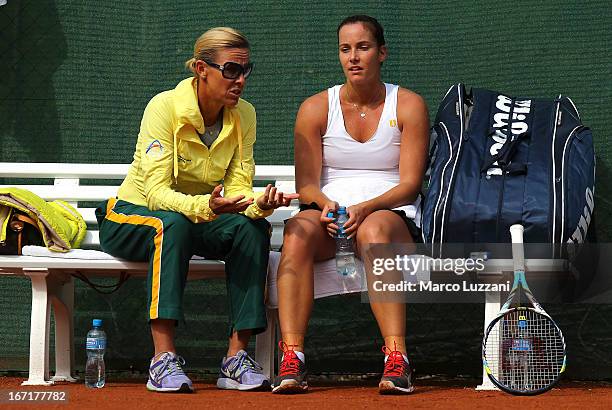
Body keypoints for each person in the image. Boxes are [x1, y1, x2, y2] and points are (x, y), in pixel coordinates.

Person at [95, 27, 298, 393]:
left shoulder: (245, 115)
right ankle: (162, 360)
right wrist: (207, 206)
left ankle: (236, 358)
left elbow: (237, 186)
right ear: (201, 69)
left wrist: (258, 205)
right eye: (231, 70)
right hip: (131, 217)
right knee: (170, 224)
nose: (240, 81)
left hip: (195, 219)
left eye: (246, 70)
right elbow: (156, 194)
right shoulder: (164, 107)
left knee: (250, 230)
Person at [272, 15, 429, 395]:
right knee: (295, 231)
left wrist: (364, 208)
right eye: (345, 49)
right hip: (331, 222)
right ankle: (292, 358)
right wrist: (327, 206)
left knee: (374, 230)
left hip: (390, 220)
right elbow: (307, 183)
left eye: (363, 47)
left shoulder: (408, 105)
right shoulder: (315, 107)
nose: (353, 57)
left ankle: (397, 358)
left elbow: (409, 185)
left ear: (382, 53)